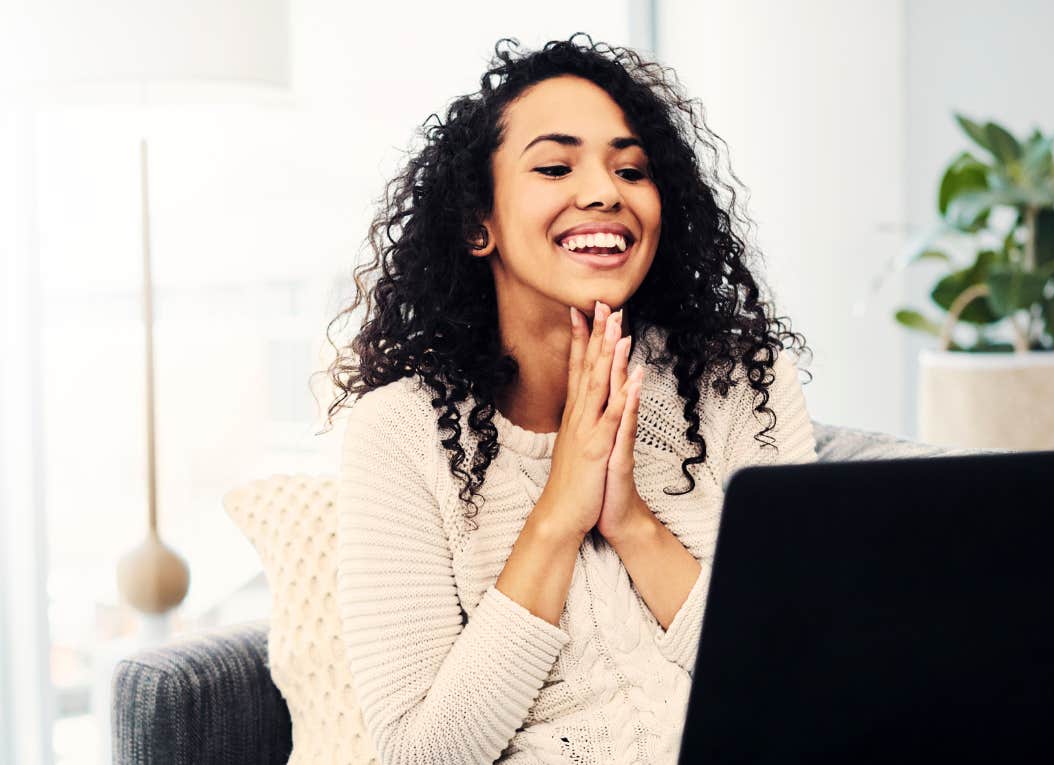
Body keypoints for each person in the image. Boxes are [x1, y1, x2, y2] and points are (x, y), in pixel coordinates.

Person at [322, 34, 817, 765]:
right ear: (476, 224)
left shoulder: (738, 383)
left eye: (632, 169)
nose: (604, 192)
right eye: (556, 166)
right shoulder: (400, 432)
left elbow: (802, 678)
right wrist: (558, 513)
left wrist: (632, 523)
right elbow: (419, 755)